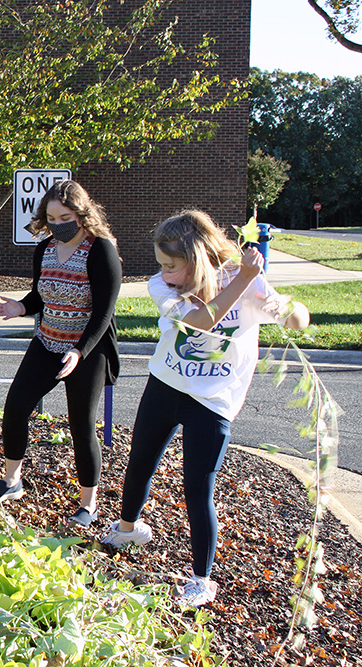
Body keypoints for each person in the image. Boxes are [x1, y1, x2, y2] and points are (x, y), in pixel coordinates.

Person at [99, 210, 310, 608]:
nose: (162, 273)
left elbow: (298, 321)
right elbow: (197, 324)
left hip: (213, 402)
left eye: (171, 266)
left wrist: (285, 307)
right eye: (161, 264)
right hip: (166, 384)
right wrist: (245, 281)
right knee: (140, 460)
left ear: (196, 261)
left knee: (198, 488)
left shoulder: (244, 282)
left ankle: (201, 579)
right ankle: (128, 529)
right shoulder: (162, 288)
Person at [0, 180, 121, 527]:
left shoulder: (101, 250)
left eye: (64, 216)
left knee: (81, 425)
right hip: (47, 342)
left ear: (81, 214)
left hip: (88, 349)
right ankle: (12, 481)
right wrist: (21, 307)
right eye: (50, 217)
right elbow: (40, 296)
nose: (57, 223)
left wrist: (80, 351)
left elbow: (104, 314)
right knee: (16, 406)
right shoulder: (45, 248)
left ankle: (88, 504)